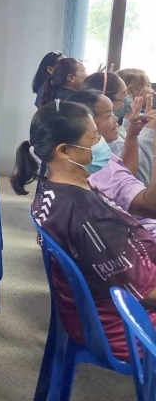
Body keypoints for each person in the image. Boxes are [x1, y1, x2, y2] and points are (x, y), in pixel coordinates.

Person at [11, 100, 156, 359]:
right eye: (94, 137)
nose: (102, 143)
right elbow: (139, 294)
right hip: (128, 326)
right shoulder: (87, 217)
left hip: (103, 304)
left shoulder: (54, 186)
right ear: (64, 150)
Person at [67, 90, 156, 237]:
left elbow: (125, 175)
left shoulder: (96, 154)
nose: (115, 118)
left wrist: (132, 134)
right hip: (146, 236)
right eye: (108, 115)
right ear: (87, 123)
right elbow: (151, 206)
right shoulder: (96, 167)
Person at [83, 71, 156, 185]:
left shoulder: (113, 127)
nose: (129, 99)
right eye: (125, 95)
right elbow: (134, 178)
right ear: (106, 99)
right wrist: (148, 134)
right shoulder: (110, 139)